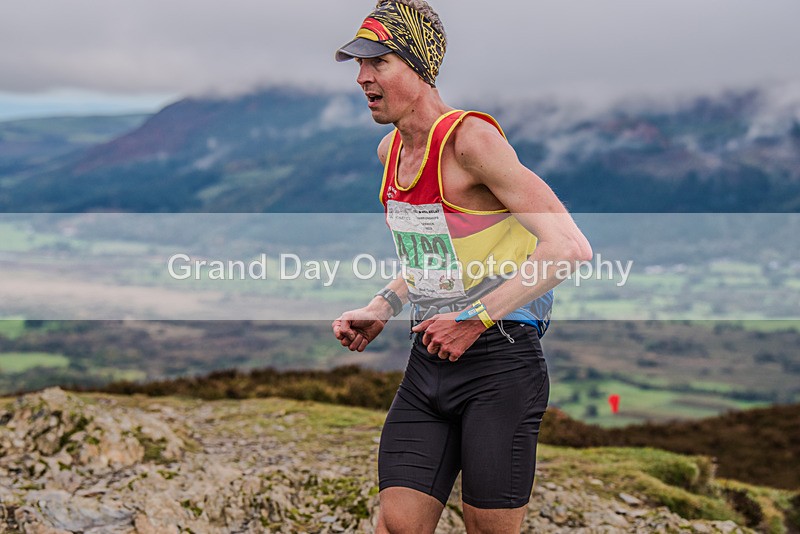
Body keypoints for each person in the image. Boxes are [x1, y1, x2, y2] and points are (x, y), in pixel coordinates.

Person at [331, 1, 592, 532]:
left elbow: (568, 247)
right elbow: (435, 256)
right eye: (359, 65)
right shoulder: (390, 151)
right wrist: (383, 305)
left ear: (419, 66)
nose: (362, 78)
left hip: (501, 366)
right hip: (429, 359)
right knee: (397, 525)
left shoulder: (472, 141)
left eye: (378, 62)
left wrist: (473, 319)